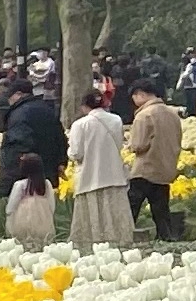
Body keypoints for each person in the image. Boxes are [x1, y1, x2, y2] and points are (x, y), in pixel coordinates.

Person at [1, 69, 68, 246]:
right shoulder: (46, 109)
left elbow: (18, 143)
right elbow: (60, 136)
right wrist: (61, 162)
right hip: (45, 167)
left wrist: (11, 171)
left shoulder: (19, 113)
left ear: (17, 94)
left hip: (25, 170)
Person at [67, 83, 134, 248]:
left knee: (92, 220)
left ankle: (93, 247)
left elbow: (76, 153)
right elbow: (119, 144)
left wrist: (69, 153)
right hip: (114, 174)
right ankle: (119, 245)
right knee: (114, 216)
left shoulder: (80, 125)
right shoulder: (116, 120)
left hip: (89, 177)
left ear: (84, 106)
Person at [126, 79, 185, 239]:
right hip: (165, 168)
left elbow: (138, 145)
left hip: (145, 168)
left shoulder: (144, 115)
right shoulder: (172, 114)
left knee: (132, 207)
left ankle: (124, 237)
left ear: (141, 94)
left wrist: (130, 145)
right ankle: (166, 237)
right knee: (161, 209)